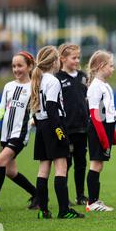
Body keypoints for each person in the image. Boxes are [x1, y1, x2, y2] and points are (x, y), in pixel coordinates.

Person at [0, 51, 38, 212]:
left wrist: (33, 121)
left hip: (19, 135)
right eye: (13, 66)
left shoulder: (34, 87)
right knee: (10, 172)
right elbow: (1, 111)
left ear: (29, 66)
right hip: (4, 134)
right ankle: (37, 194)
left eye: (20, 65)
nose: (16, 69)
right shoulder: (8, 87)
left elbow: (36, 112)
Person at [31, 45, 84, 219]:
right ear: (54, 62)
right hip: (54, 126)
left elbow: (36, 110)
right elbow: (53, 111)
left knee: (43, 169)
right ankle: (64, 210)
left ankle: (43, 210)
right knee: (61, 168)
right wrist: (61, 136)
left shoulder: (38, 80)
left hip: (41, 127)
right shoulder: (53, 81)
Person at [85, 50, 116, 212]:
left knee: (99, 165)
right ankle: (92, 202)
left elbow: (109, 111)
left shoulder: (104, 85)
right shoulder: (95, 88)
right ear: (101, 66)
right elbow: (95, 115)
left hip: (105, 129)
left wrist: (113, 135)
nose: (113, 69)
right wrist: (104, 138)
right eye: (111, 66)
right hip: (98, 131)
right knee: (96, 164)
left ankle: (94, 200)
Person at [56, 44, 89, 206]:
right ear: (62, 59)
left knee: (81, 163)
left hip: (82, 128)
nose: (77, 60)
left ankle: (80, 195)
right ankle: (64, 197)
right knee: (65, 164)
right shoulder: (57, 79)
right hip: (66, 129)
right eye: (73, 58)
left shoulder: (83, 77)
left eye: (78, 57)